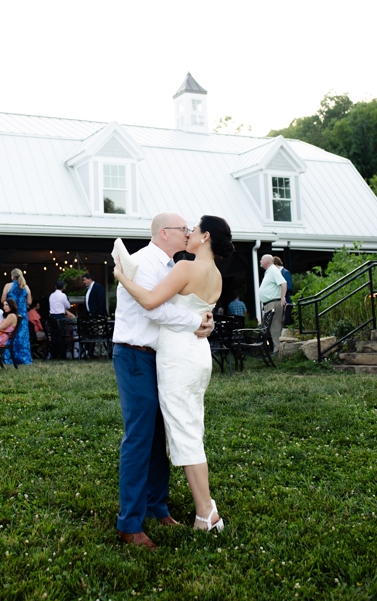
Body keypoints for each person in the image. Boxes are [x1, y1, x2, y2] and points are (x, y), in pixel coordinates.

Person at [114, 215, 233, 536]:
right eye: (184, 229)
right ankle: (131, 523)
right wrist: (198, 322)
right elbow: (153, 308)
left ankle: (161, 506)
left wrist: (200, 322)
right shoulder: (141, 263)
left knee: (170, 432)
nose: (187, 233)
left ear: (205, 237)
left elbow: (157, 302)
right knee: (144, 436)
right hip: (138, 354)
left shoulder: (180, 266)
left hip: (175, 356)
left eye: (191, 229)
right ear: (165, 233)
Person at [0, 269, 33, 365]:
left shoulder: (7, 286)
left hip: (12, 315)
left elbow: (2, 300)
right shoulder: (26, 287)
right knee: (23, 337)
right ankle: (24, 358)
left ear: (12, 276)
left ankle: (9, 357)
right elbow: (30, 302)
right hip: (22, 316)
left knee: (10, 334)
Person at [258, 254, 287, 348]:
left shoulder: (273, 270)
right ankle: (277, 349)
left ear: (267, 261)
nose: (260, 261)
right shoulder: (269, 271)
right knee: (272, 327)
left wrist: (283, 297)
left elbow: (283, 283)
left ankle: (278, 350)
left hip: (273, 303)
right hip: (270, 303)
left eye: (261, 260)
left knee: (275, 327)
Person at [47, 280, 75, 360]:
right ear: (63, 287)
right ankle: (60, 354)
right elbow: (68, 306)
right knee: (61, 336)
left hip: (52, 317)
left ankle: (53, 354)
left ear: (55, 287)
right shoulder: (63, 295)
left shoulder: (51, 295)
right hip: (60, 317)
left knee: (53, 336)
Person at [273, 256, 294, 327]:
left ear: (276, 264)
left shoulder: (285, 272)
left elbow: (289, 286)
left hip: (286, 301)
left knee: (286, 321)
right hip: (279, 302)